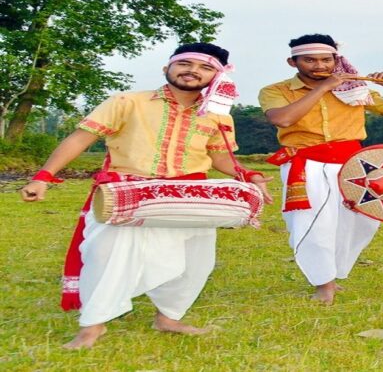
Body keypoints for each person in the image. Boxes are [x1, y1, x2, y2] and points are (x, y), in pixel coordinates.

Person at [19, 43, 272, 349]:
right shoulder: (127, 102)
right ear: (167, 68)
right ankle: (92, 326)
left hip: (187, 195)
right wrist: (43, 177)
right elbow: (81, 138)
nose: (193, 71)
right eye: (186, 64)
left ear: (217, 77)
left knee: (193, 261)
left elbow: (220, 158)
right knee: (108, 257)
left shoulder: (219, 117)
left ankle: (168, 318)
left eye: (205, 68)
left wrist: (251, 176)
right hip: (128, 191)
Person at [259, 34, 383, 304]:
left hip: (353, 163)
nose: (319, 65)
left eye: (326, 59)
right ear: (292, 62)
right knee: (313, 223)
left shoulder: (354, 87)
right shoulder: (276, 90)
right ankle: (323, 282)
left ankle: (333, 272)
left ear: (336, 59)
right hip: (306, 163)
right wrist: (324, 88)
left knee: (361, 221)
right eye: (309, 60)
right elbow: (283, 119)